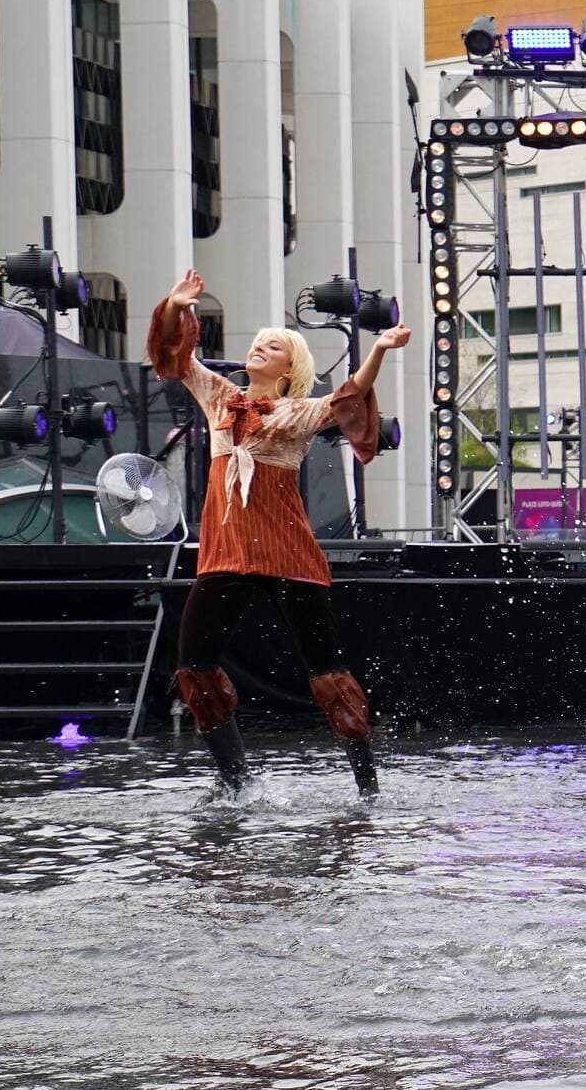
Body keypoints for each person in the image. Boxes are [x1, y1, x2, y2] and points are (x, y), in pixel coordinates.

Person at [149, 268, 406, 799]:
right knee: (193, 668)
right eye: (258, 342)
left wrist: (379, 348)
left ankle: (368, 789)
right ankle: (237, 785)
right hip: (228, 554)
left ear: (291, 366)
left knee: (328, 673)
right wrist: (178, 307)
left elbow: (350, 394)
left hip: (289, 554)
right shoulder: (220, 396)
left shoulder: (297, 411)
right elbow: (178, 358)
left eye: (274, 345)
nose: (261, 348)